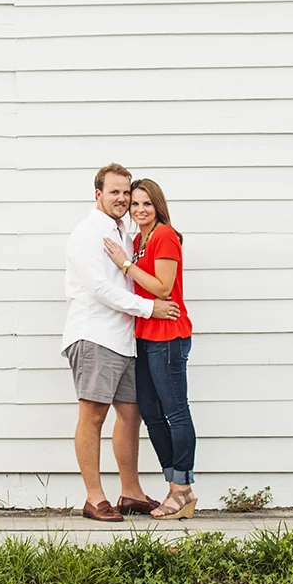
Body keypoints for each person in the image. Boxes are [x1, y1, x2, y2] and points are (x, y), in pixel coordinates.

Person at [64, 163, 183, 522]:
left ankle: (130, 493)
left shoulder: (125, 234)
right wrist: (150, 308)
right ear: (98, 194)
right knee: (93, 414)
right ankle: (94, 498)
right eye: (114, 192)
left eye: (126, 192)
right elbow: (101, 289)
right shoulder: (87, 234)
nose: (122, 198)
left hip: (124, 338)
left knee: (131, 415)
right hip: (95, 335)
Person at [106, 178, 195, 519]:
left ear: (157, 205)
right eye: (134, 204)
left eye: (146, 203)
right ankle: (174, 485)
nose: (140, 209)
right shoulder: (140, 239)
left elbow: (162, 288)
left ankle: (181, 488)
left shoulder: (163, 236)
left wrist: (124, 264)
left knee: (175, 412)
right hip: (144, 335)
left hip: (168, 336)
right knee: (151, 413)